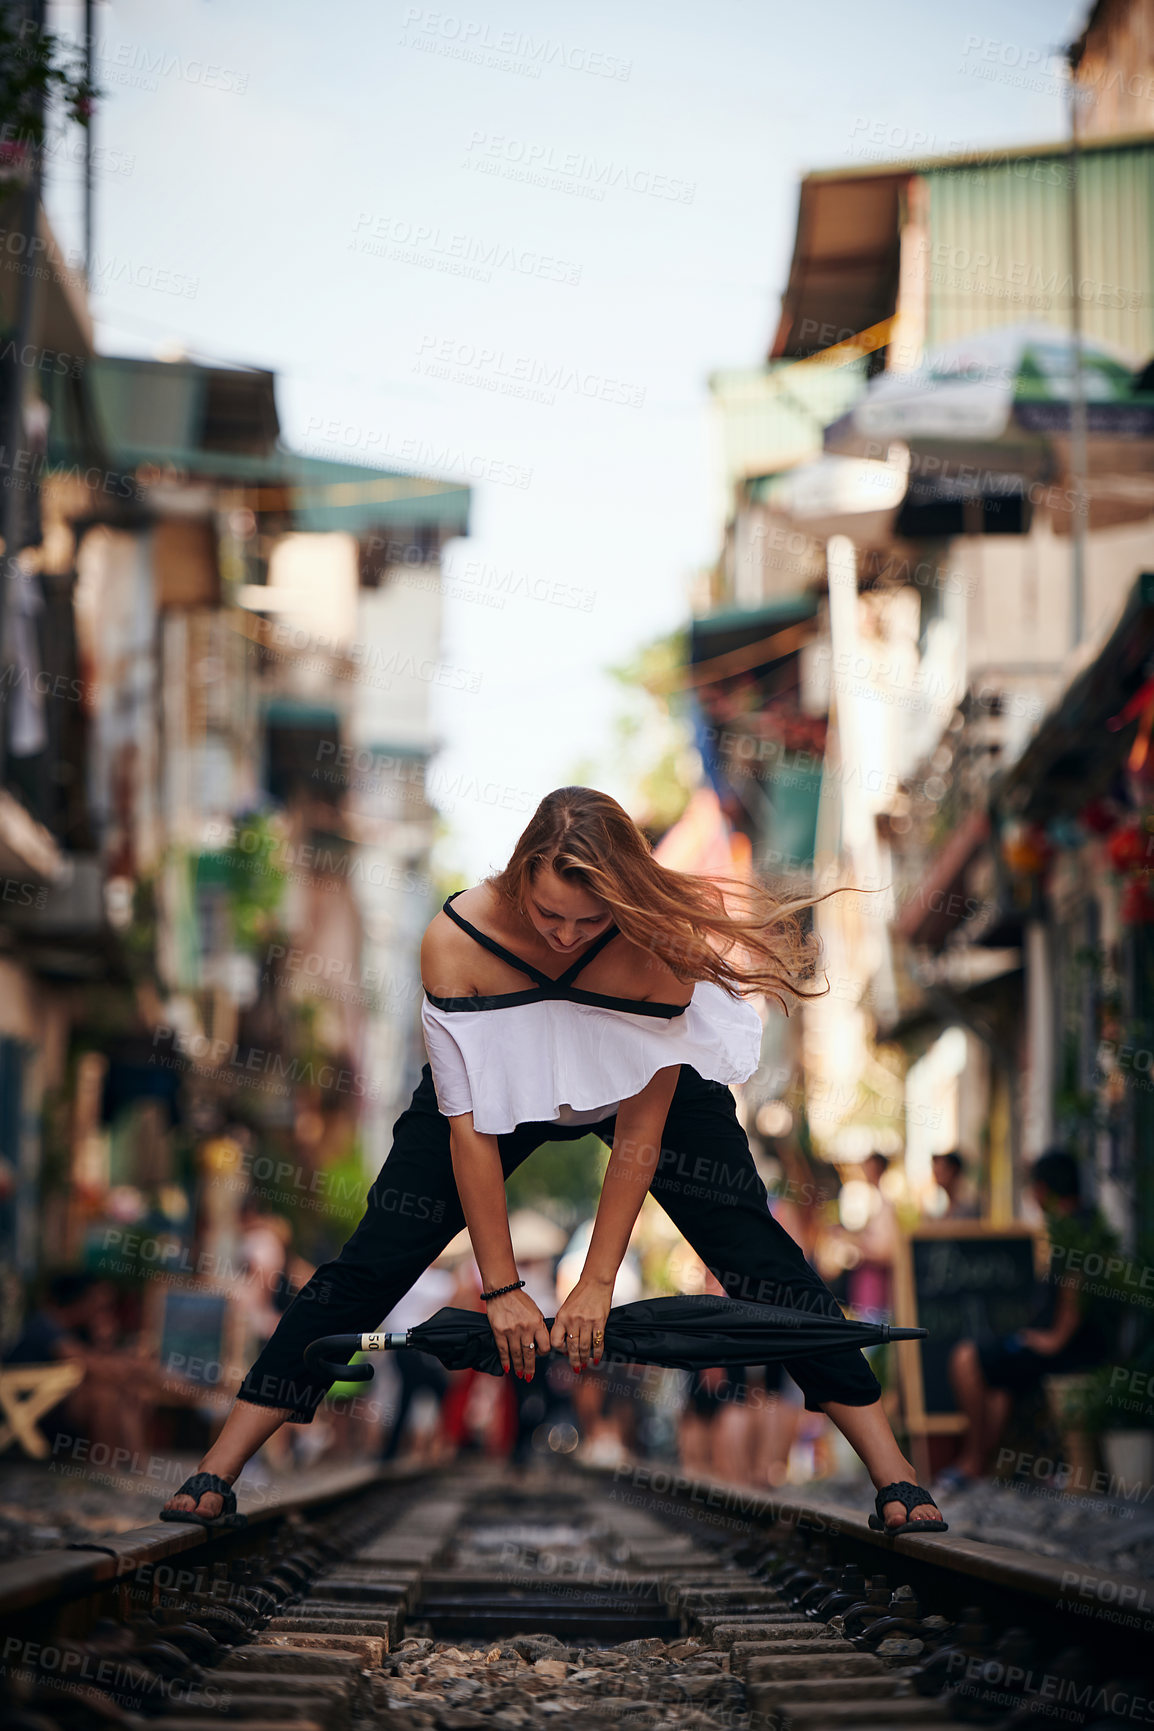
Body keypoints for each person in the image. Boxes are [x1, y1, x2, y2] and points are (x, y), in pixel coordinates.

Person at [162, 787, 947, 1534]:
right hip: (503, 1092)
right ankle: (217, 1468)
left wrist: (597, 1284)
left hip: (635, 1088)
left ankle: (894, 1473)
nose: (568, 934)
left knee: (760, 1255)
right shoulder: (455, 941)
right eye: (550, 914)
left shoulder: (658, 947)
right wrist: (501, 1288)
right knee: (372, 1261)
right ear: (517, 874)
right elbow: (469, 1130)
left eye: (590, 919)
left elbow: (641, 1132)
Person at [941, 1147, 1121, 1488]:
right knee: (1001, 1379)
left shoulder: (1074, 1232)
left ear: (1042, 1190)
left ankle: (973, 1461)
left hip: (1068, 1351)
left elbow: (1075, 1285)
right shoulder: (1087, 1223)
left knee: (966, 1358)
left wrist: (1055, 1339)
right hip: (1074, 1346)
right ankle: (991, 1463)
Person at [931, 1151, 980, 1220]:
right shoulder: (947, 1208)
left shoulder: (968, 1208)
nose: (935, 1170)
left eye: (941, 1167)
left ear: (953, 1170)